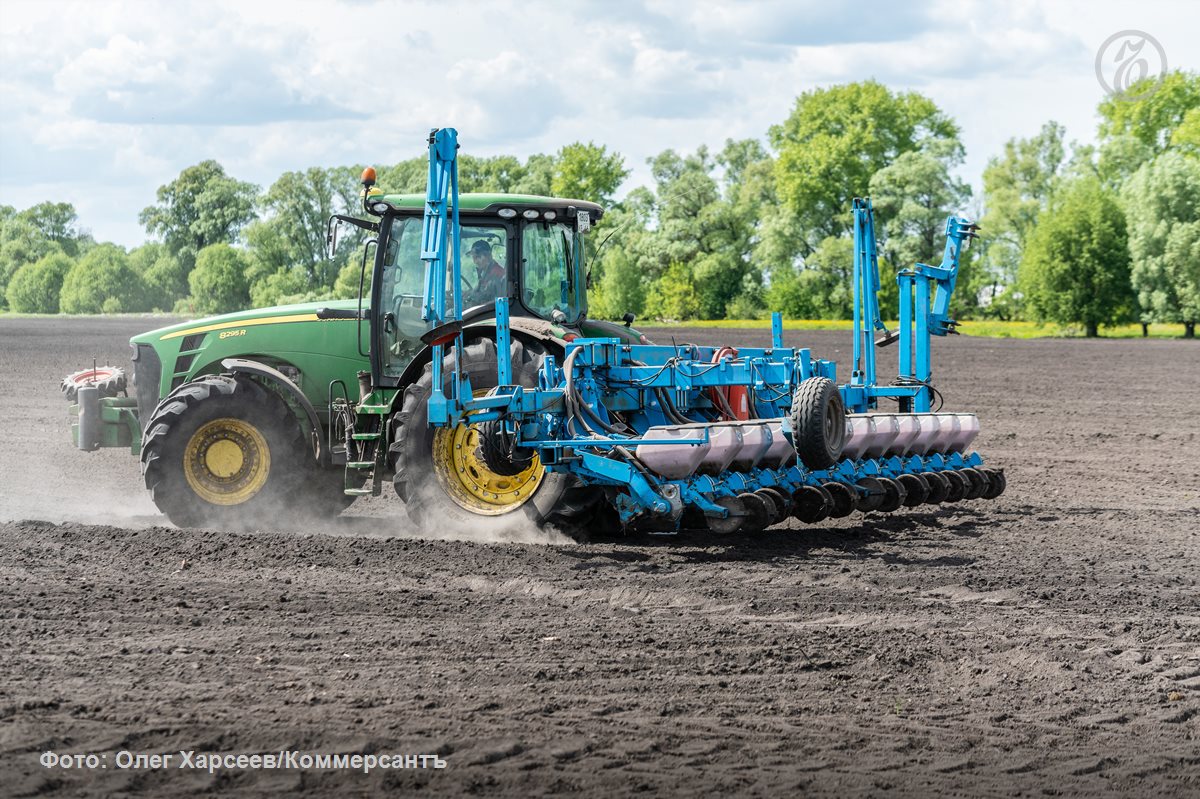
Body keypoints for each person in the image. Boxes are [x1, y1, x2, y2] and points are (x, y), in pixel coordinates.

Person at [466, 239, 505, 305]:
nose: (475, 262)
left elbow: (485, 297)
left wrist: (471, 296)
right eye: (474, 258)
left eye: (478, 257)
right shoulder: (485, 273)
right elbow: (479, 290)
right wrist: (466, 294)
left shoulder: (498, 274)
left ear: (489, 255)